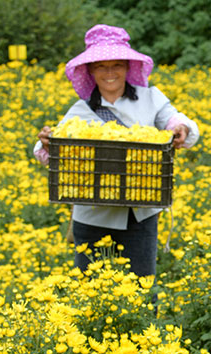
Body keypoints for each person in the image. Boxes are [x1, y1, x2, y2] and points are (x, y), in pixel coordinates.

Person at [33, 24, 200, 277]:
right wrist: (47, 142)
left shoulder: (151, 98)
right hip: (91, 215)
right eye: (100, 66)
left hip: (140, 213)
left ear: (127, 67)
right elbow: (46, 151)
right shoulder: (80, 110)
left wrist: (180, 129)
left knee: (142, 287)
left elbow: (177, 121)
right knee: (89, 289)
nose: (109, 72)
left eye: (116, 65)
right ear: (90, 70)